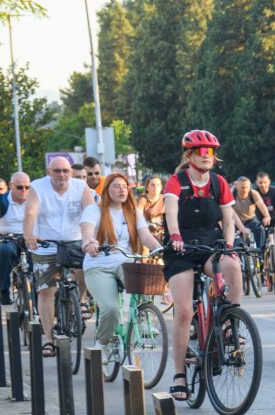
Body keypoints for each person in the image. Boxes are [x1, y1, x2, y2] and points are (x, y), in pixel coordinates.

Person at [160, 131, 242, 401]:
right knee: (184, 311)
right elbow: (171, 211)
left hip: (209, 243)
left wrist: (228, 245)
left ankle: (229, 322)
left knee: (233, 266)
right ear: (189, 156)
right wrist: (174, 235)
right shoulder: (177, 181)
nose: (207, 156)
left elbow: (228, 220)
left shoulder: (219, 183)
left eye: (211, 152)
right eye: (201, 152)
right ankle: (179, 374)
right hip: (180, 248)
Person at [22, 155, 99, 352]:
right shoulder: (38, 187)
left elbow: (91, 210)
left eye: (65, 171)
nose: (61, 175)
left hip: (75, 240)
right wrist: (29, 234)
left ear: (71, 172)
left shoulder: (80, 187)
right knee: (47, 290)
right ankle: (49, 339)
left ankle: (80, 299)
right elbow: (30, 212)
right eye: (57, 171)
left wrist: (90, 238)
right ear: (49, 172)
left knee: (87, 268)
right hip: (46, 244)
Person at [79, 170, 156, 354]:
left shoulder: (133, 212)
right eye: (116, 186)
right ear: (107, 190)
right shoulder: (94, 210)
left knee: (144, 285)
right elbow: (87, 231)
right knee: (110, 309)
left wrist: (162, 250)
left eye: (124, 187)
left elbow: (146, 237)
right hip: (98, 265)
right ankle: (102, 343)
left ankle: (141, 325)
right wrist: (90, 242)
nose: (122, 190)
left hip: (125, 261)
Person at [0, 172, 28, 304]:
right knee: (4, 250)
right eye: (20, 187)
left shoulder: (34, 200)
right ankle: (4, 289)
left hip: (30, 238)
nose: (24, 190)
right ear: (11, 186)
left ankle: (37, 292)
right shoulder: (2, 201)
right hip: (8, 239)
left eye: (27, 187)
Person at [231, 176, 271, 256]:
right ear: (237, 186)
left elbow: (261, 204)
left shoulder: (253, 193)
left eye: (247, 187)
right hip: (236, 222)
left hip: (250, 220)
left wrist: (267, 216)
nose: (245, 190)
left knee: (260, 229)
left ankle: (260, 253)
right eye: (242, 187)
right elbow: (228, 211)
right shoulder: (231, 194)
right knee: (235, 241)